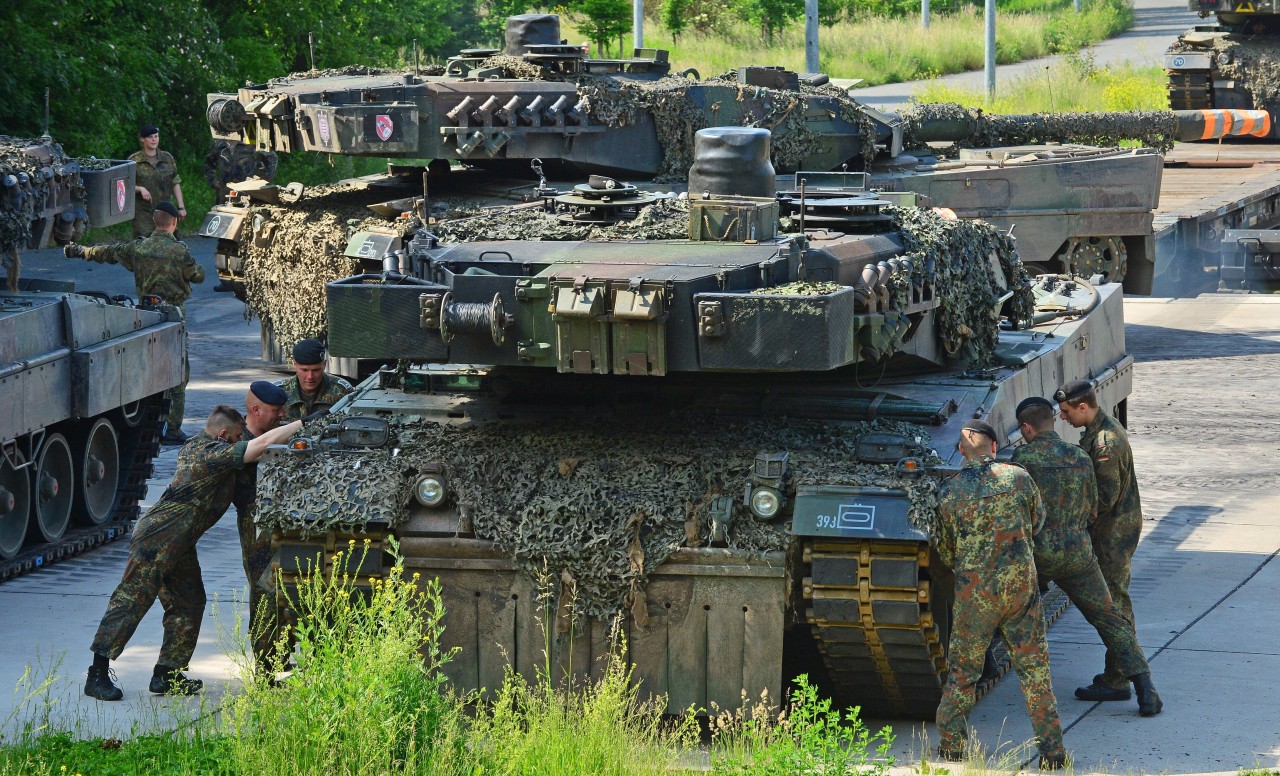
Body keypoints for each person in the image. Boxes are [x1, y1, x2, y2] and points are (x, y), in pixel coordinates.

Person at [84, 406, 303, 701]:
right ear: (224, 436)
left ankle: (167, 673)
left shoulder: (218, 453)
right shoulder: (207, 453)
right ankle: (97, 674)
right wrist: (302, 423)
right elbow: (257, 447)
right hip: (157, 538)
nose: (240, 441)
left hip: (180, 543)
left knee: (189, 601)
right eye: (237, 437)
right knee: (133, 598)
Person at [1012, 397, 1163, 716]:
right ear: (1052, 421)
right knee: (1111, 620)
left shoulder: (1022, 457)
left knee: (1001, 609)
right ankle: (1146, 689)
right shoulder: (1080, 456)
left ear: (1026, 428)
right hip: (1079, 554)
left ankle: (988, 671)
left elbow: (1018, 508)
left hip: (1038, 555)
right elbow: (1094, 506)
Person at [933, 419, 1066, 770]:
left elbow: (946, 551)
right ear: (994, 447)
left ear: (960, 450)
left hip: (975, 597)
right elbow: (1037, 522)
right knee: (1035, 673)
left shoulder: (950, 492)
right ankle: (1052, 754)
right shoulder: (1018, 478)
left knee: (962, 675)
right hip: (1020, 592)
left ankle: (951, 748)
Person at [64, 201, 204, 445]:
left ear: (154, 221)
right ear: (174, 221)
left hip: (146, 313)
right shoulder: (179, 251)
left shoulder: (139, 248)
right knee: (179, 371)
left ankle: (148, 423)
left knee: (149, 369)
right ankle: (172, 430)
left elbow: (107, 252)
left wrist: (80, 251)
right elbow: (198, 276)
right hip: (174, 315)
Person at [1054, 378, 1146, 703]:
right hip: (1115, 529)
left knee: (1115, 604)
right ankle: (1119, 673)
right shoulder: (1103, 431)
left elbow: (1103, 499)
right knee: (1115, 602)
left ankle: (1119, 678)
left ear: (1083, 406)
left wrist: (1068, 520)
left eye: (1066, 412)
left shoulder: (1105, 444)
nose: (1063, 417)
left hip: (1112, 534)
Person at [234, 381, 289, 674]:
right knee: (264, 590)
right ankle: (266, 666)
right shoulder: (235, 439)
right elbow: (256, 450)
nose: (282, 414)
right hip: (256, 524)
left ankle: (280, 657)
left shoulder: (279, 432)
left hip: (288, 518)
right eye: (275, 410)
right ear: (256, 410)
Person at [277, 338, 353, 422]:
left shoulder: (341, 391)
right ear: (294, 364)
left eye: (316, 370)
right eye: (304, 370)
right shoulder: (279, 392)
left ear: (324, 364)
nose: (310, 376)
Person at [130, 124, 186, 238]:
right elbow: (125, 186)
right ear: (142, 139)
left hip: (165, 210)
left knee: (171, 242)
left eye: (156, 136)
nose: (154, 139)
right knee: (143, 244)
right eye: (150, 137)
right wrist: (140, 189)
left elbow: (175, 182)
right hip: (143, 213)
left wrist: (181, 207)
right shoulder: (134, 161)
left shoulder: (167, 158)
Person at [204, 139, 278, 202]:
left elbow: (272, 157)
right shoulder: (219, 144)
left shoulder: (251, 141)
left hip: (248, 190)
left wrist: (264, 181)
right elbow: (209, 162)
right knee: (223, 214)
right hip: (224, 190)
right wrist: (212, 181)